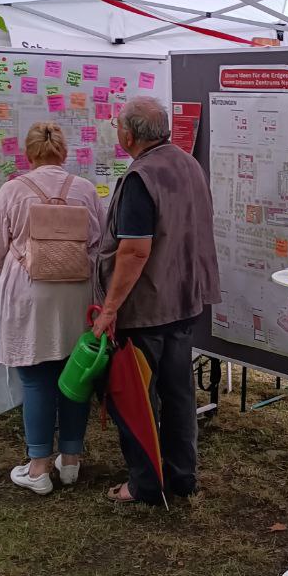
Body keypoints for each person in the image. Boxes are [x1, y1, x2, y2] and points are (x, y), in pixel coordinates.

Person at [93, 97, 220, 504]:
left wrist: (109, 308)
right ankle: (182, 477)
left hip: (147, 306)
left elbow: (134, 251)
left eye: (117, 126)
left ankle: (146, 484)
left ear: (128, 134)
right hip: (185, 299)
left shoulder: (141, 176)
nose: (116, 131)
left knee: (136, 397)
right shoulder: (188, 164)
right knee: (179, 394)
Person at [0, 122, 105, 494]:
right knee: (75, 377)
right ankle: (70, 461)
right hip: (77, 295)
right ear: (64, 154)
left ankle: (37, 468)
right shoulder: (84, 189)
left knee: (35, 379)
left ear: (29, 154)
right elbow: (99, 242)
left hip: (28, 294)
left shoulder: (13, 191)